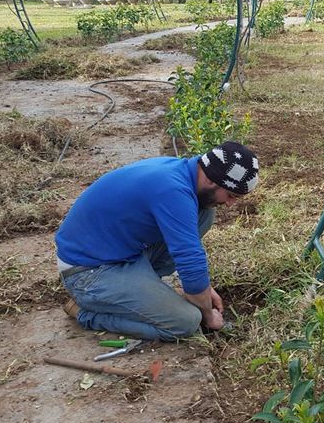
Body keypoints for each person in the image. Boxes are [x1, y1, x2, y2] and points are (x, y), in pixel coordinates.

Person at [55, 141, 259, 341]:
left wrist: (201, 290)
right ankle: (86, 313)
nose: (231, 204)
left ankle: (146, 294)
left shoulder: (184, 173)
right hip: (87, 272)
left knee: (204, 214)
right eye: (231, 195)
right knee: (186, 322)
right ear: (212, 180)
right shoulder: (172, 190)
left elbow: (189, 256)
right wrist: (208, 315)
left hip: (120, 252)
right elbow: (190, 260)